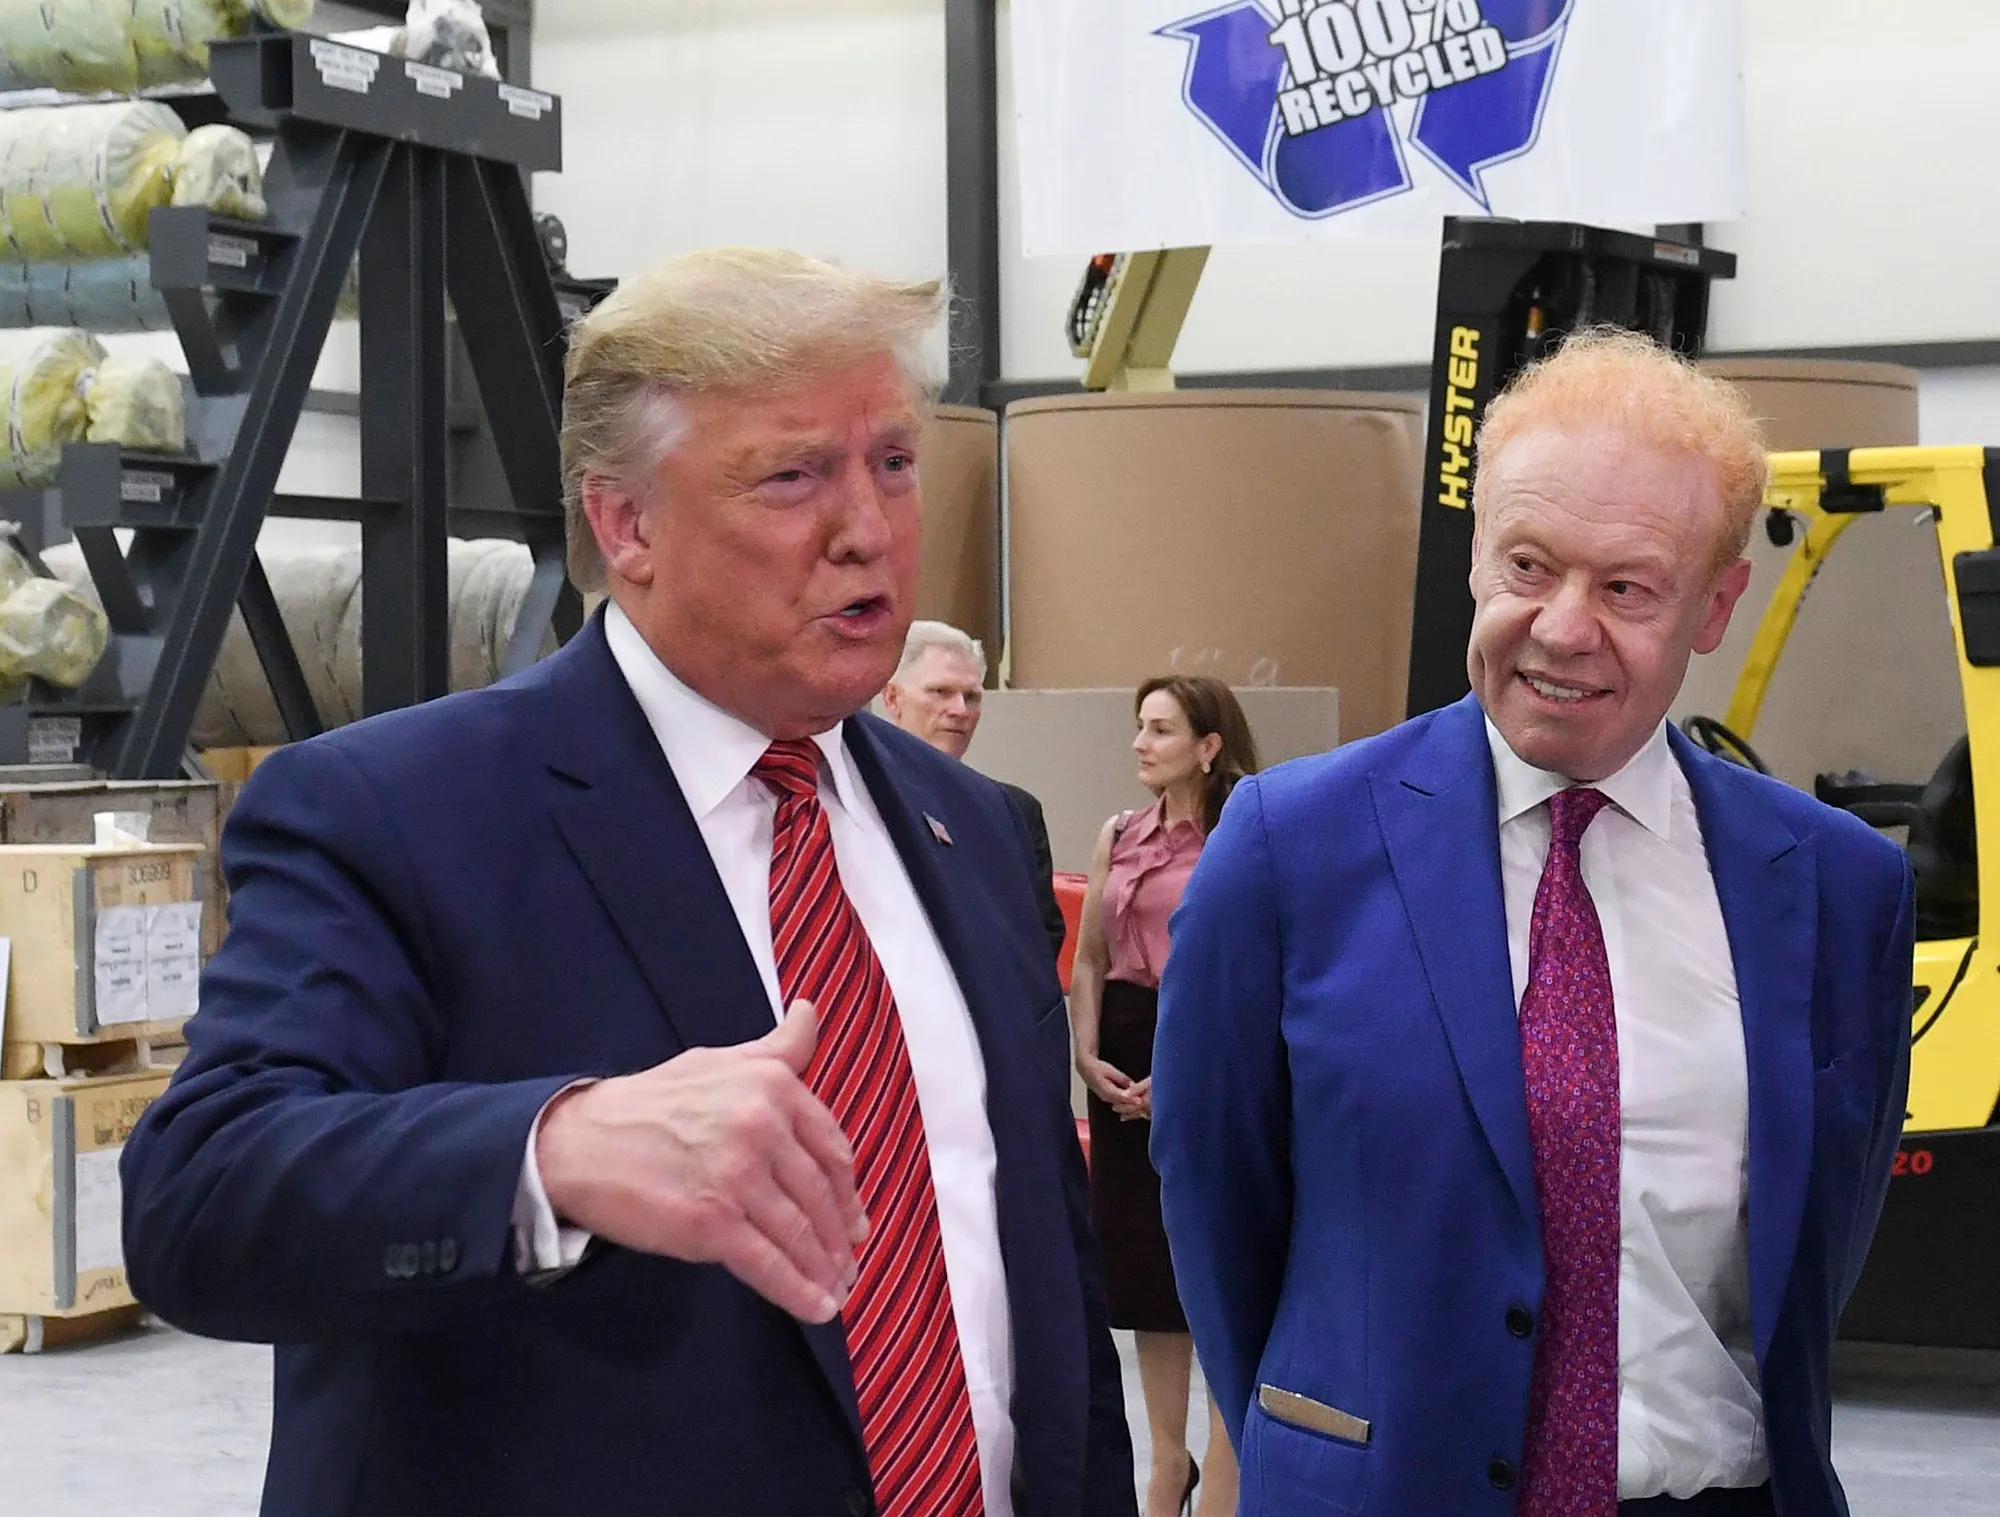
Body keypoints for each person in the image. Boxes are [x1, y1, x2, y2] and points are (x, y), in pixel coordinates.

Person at [119, 249, 1137, 1517]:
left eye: (890, 459)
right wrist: (553, 1147)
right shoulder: (399, 815)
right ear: (626, 523)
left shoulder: (973, 828)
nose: (867, 527)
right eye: (792, 474)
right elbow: (198, 1197)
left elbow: (1038, 1277)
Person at [1152, 328, 1914, 1517]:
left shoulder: (1834, 888)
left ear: (1716, 604)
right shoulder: (1286, 850)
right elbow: (1217, 1204)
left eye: (1624, 587)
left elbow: (1824, 1238)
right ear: (1473, 556)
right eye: (1526, 565)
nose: (1561, 627)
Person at [1071, 675, 1259, 1517]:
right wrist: (1083, 1052)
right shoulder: (1119, 831)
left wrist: (1185, 1078)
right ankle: (1165, 1465)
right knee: (1146, 1277)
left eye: (1160, 728)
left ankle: (1224, 1473)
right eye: (1138, 727)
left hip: (1205, 1051)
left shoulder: (1245, 830)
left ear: (1208, 744)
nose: (1141, 743)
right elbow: (1088, 957)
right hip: (1121, 1048)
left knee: (1211, 1269)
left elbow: (1249, 973)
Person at [883, 619, 1067, 961]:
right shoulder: (858, 800)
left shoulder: (1012, 812)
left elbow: (1041, 933)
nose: (960, 710)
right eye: (940, 692)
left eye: (972, 697)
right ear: (893, 699)